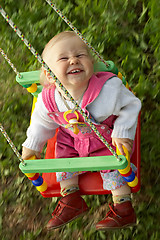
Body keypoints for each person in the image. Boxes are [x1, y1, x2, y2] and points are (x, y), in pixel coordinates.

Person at [22, 31, 141, 230]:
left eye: (80, 55)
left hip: (105, 136)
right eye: (64, 58)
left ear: (91, 64)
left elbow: (131, 105)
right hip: (71, 138)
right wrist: (33, 146)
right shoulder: (48, 99)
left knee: (115, 162)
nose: (73, 61)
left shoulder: (107, 90)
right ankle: (71, 199)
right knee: (62, 158)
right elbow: (40, 123)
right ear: (49, 75)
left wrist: (121, 132)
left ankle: (123, 207)